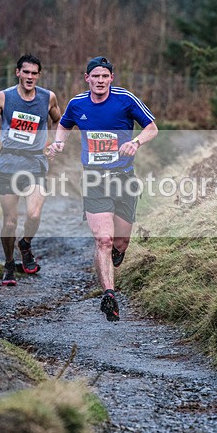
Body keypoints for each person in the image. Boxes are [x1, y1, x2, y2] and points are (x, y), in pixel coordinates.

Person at [47, 56, 157, 321]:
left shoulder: (125, 99)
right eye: (94, 76)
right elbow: (64, 123)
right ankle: (109, 294)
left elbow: (152, 128)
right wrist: (59, 143)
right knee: (103, 240)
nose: (99, 81)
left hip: (123, 179)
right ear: (87, 79)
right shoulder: (77, 103)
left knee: (119, 242)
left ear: (111, 79)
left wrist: (136, 143)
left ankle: (117, 253)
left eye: (104, 77)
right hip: (94, 180)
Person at [0, 54, 62, 286]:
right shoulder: (4, 97)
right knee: (10, 222)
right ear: (18, 73)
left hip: (35, 164)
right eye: (26, 72)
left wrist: (54, 143)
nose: (30, 77)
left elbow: (60, 121)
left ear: (39, 75)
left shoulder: (48, 97)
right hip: (9, 165)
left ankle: (25, 244)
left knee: (33, 215)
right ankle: (8, 264)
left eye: (34, 73)